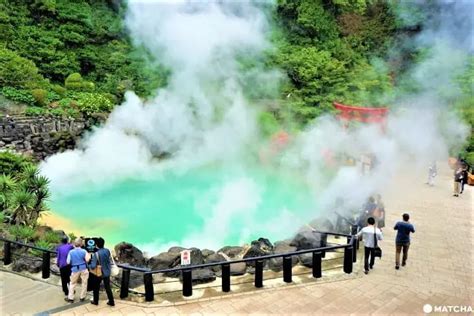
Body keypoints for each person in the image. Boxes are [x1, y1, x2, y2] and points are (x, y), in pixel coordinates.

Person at [89, 238, 115, 306]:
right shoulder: (107, 251)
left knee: (96, 287)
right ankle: (111, 302)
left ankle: (96, 301)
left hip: (100, 273)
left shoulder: (96, 254)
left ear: (97, 245)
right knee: (108, 287)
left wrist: (89, 265)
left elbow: (93, 266)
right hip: (107, 272)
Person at [66, 238, 90, 303]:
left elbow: (68, 262)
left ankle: (71, 298)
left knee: (72, 283)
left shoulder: (71, 252)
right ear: (81, 244)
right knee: (84, 283)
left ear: (74, 244)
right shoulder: (84, 251)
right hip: (83, 268)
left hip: (74, 269)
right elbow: (87, 260)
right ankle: (82, 297)